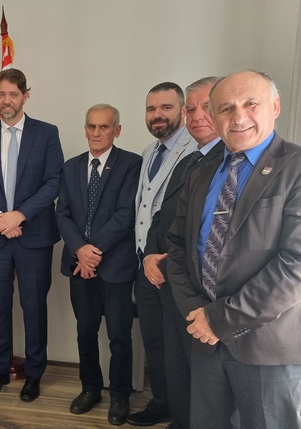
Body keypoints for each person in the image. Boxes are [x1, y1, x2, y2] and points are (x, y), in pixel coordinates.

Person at [168, 70, 301, 428]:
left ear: (275, 107)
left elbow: (295, 265)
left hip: (266, 347)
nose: (239, 116)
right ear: (214, 117)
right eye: (226, 108)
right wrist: (197, 314)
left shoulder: (296, 167)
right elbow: (177, 246)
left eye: (251, 104)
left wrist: (219, 319)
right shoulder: (201, 173)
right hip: (205, 342)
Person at [0, 69, 64, 402]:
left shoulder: (46, 133)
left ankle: (34, 375)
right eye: (1, 94)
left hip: (33, 236)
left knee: (34, 307)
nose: (6, 100)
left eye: (13, 94)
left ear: (25, 96)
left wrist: (19, 215)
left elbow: (54, 181)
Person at [141, 77, 223, 429]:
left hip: (195, 290)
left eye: (207, 107)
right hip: (167, 280)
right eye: (191, 109)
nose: (197, 115)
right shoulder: (191, 160)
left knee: (198, 374)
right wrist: (148, 254)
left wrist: (167, 262)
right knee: (175, 368)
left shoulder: (228, 160)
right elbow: (162, 214)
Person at [56, 104, 141, 425]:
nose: (96, 133)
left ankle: (120, 395)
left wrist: (93, 252)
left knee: (119, 335)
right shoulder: (71, 167)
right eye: (91, 126)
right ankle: (90, 388)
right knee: (85, 331)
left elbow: (125, 215)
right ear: (85, 129)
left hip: (115, 266)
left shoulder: (131, 164)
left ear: (117, 130)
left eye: (103, 127)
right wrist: (80, 250)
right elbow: (62, 213)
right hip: (80, 265)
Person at [128, 82, 195, 426]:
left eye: (166, 108)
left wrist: (160, 257)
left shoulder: (194, 151)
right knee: (153, 339)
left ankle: (183, 412)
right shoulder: (149, 152)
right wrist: (144, 257)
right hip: (145, 264)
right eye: (151, 109)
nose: (157, 115)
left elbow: (178, 215)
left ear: (182, 110)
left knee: (177, 347)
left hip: (172, 266)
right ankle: (161, 402)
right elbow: (145, 207)